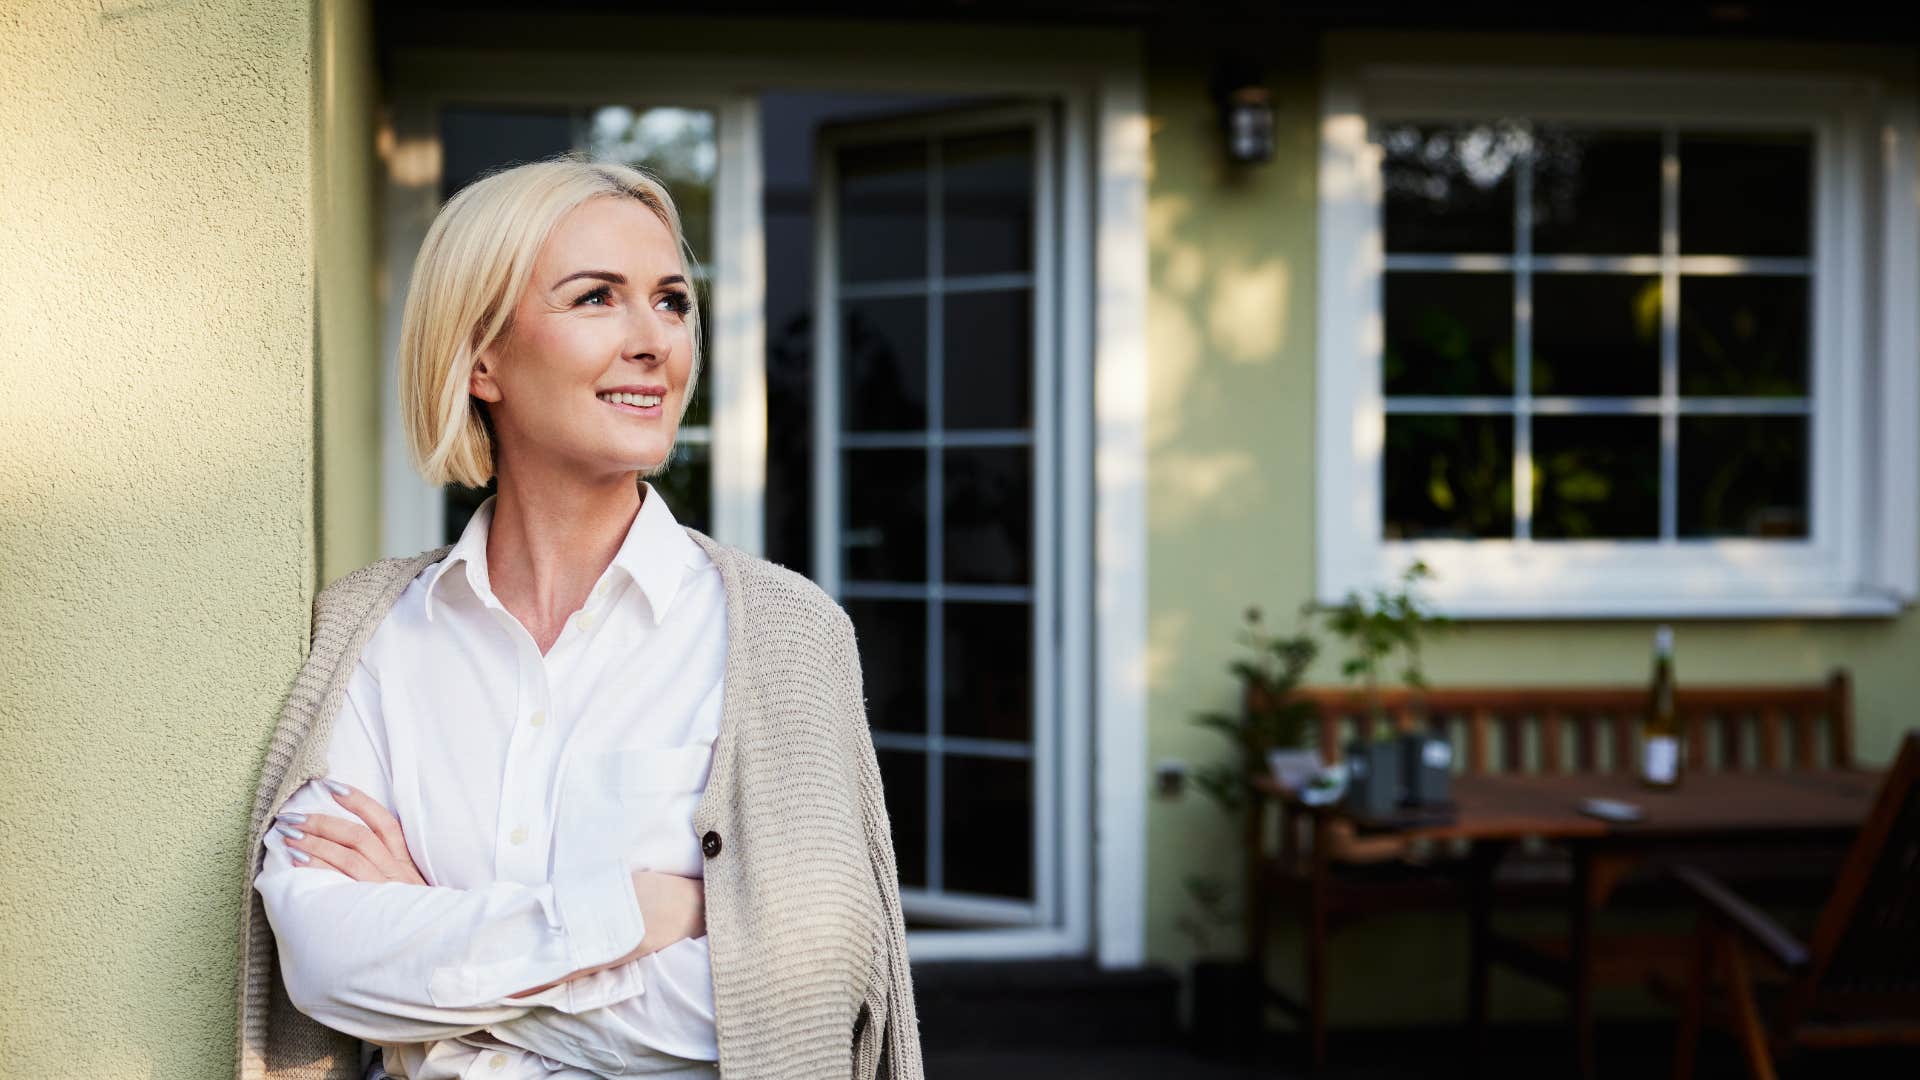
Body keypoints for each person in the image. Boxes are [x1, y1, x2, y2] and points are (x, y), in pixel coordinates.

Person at [235, 157, 921, 1080]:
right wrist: (638, 916)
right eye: (597, 297)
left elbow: (794, 998)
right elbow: (325, 960)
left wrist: (435, 983)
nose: (655, 341)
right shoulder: (372, 632)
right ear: (481, 357)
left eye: (672, 302)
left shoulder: (784, 636)